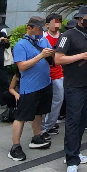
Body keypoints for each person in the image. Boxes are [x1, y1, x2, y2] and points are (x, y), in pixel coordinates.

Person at [53, 11, 87, 172]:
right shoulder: (68, 35)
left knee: (83, 119)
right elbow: (58, 59)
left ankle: (75, 151)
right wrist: (81, 56)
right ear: (80, 19)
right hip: (74, 85)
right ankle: (71, 160)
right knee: (73, 121)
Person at [7, 17, 55, 161]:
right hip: (29, 87)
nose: (40, 32)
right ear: (29, 28)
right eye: (37, 30)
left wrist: (52, 54)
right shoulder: (21, 45)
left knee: (39, 112)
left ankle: (37, 136)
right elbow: (22, 66)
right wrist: (41, 55)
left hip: (44, 83)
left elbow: (51, 57)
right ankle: (15, 146)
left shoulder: (43, 41)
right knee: (21, 116)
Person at [41, 13, 66, 136]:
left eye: (58, 22)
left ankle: (49, 125)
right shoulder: (42, 38)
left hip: (58, 73)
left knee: (58, 99)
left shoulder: (63, 37)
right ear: (47, 25)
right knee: (43, 101)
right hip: (44, 73)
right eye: (54, 22)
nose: (56, 25)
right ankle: (41, 128)